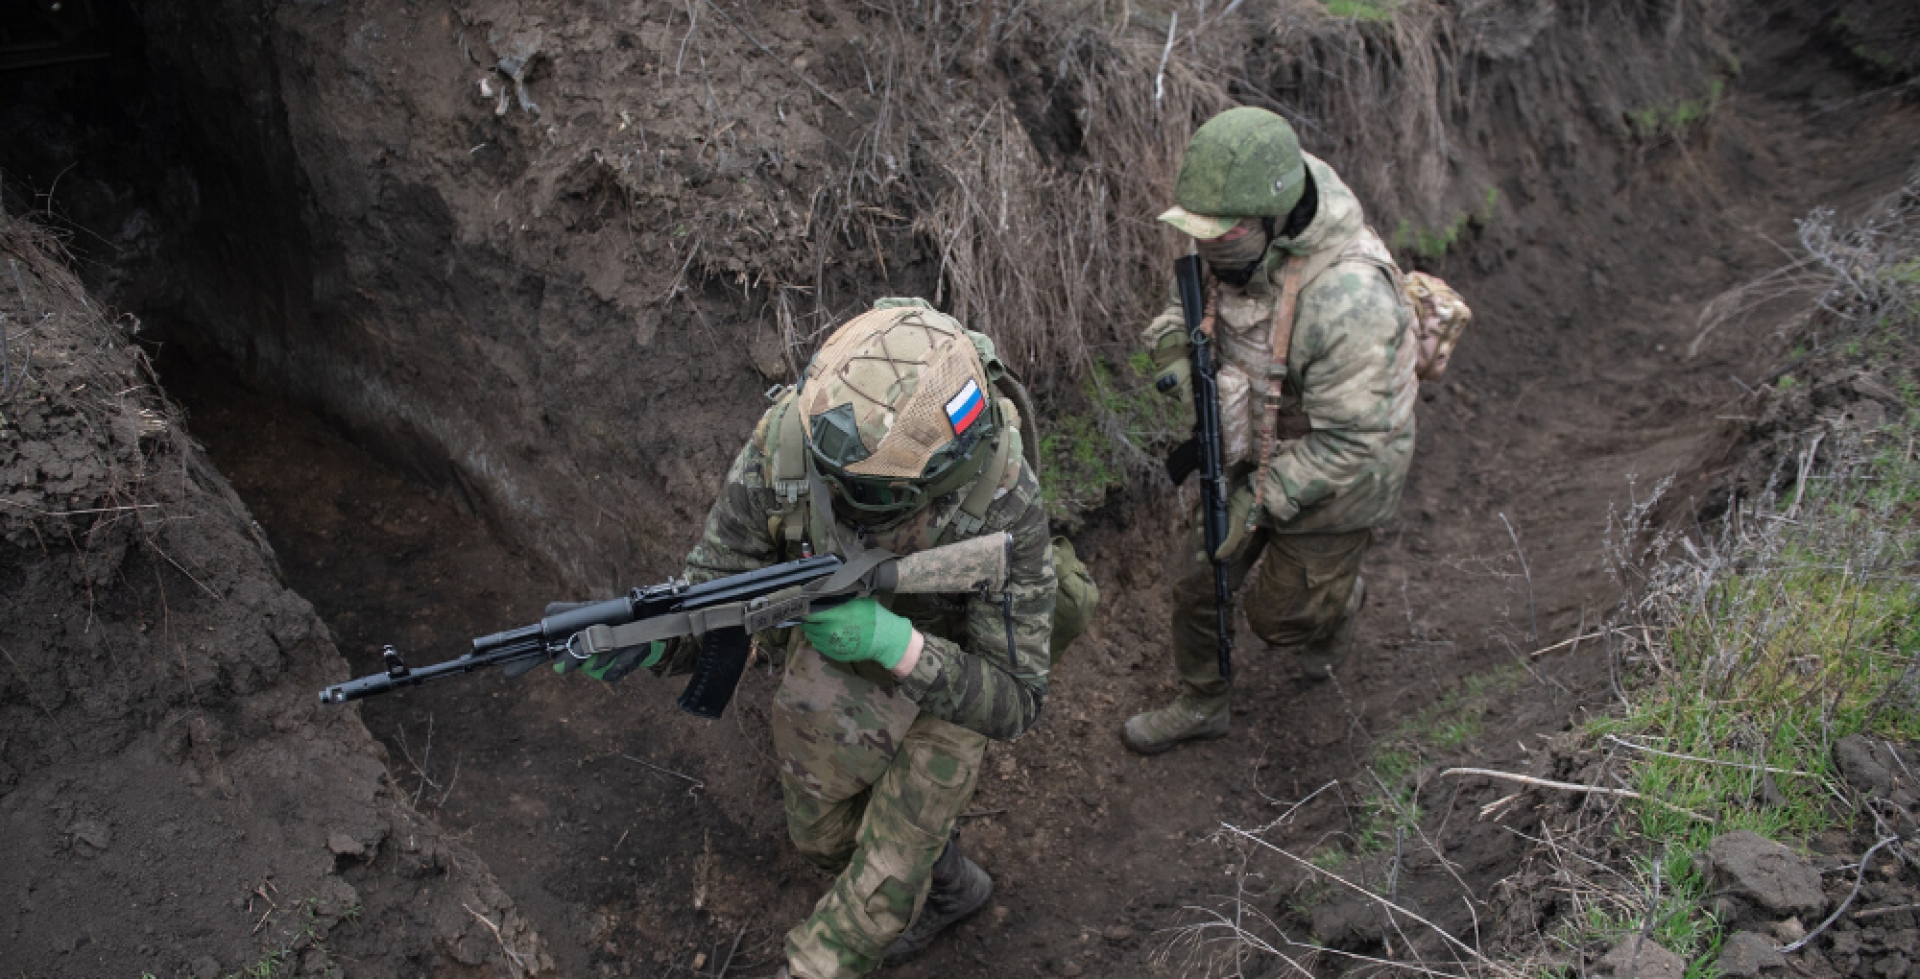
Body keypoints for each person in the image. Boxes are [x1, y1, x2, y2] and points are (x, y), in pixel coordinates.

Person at [566, 298, 1055, 978]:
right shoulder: (789, 441)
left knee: (880, 883)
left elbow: (1017, 699)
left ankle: (906, 892)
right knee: (821, 835)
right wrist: (650, 642)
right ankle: (949, 881)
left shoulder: (1005, 501)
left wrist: (894, 642)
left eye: (857, 487)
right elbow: (716, 583)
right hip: (844, 635)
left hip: (956, 669)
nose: (831, 491)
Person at [1122, 106, 1418, 755]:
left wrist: (1260, 498)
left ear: (1271, 219)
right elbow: (1193, 292)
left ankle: (1335, 604)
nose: (1206, 247)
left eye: (1220, 236)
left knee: (1279, 620)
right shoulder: (1233, 236)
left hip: (1341, 470)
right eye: (1198, 234)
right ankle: (1204, 701)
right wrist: (1175, 343)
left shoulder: (1350, 300)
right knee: (1197, 576)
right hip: (1249, 437)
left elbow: (1356, 439)